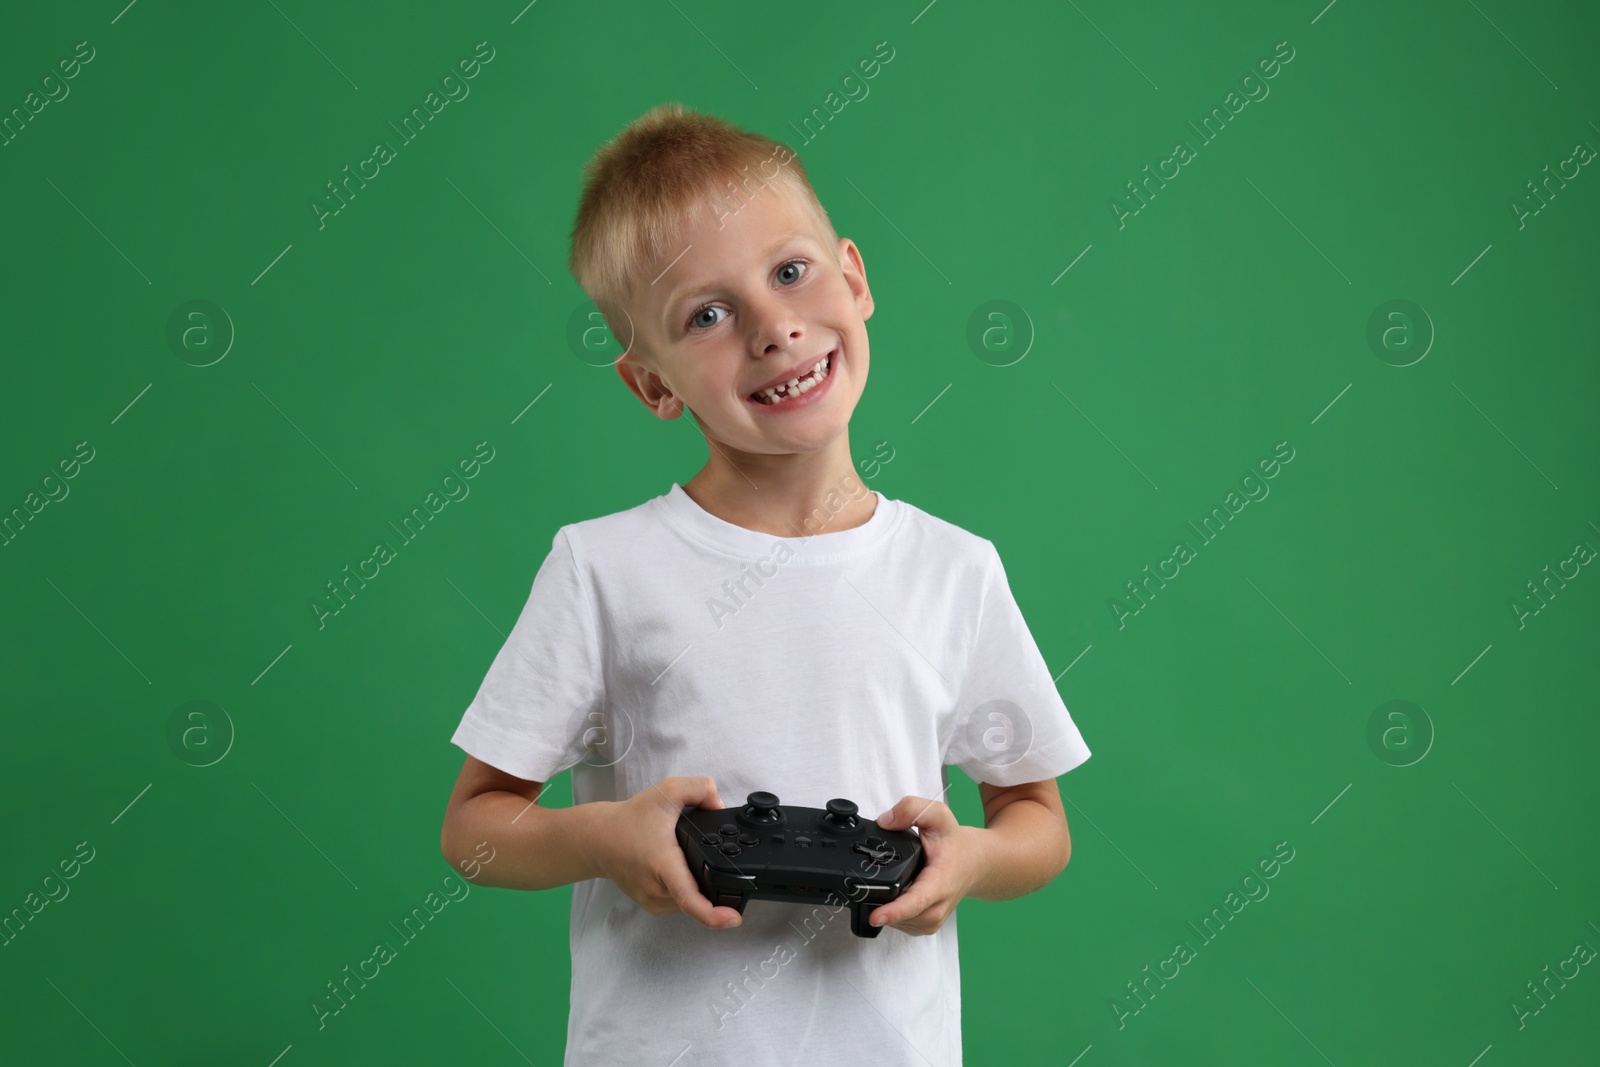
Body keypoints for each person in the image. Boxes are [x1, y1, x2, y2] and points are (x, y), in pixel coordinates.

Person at [439, 101, 1092, 1066]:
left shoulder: (955, 570)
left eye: (791, 272)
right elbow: (473, 830)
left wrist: (974, 860)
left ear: (855, 277)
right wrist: (608, 839)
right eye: (707, 314)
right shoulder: (605, 569)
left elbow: (1037, 823)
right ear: (652, 383)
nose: (775, 328)